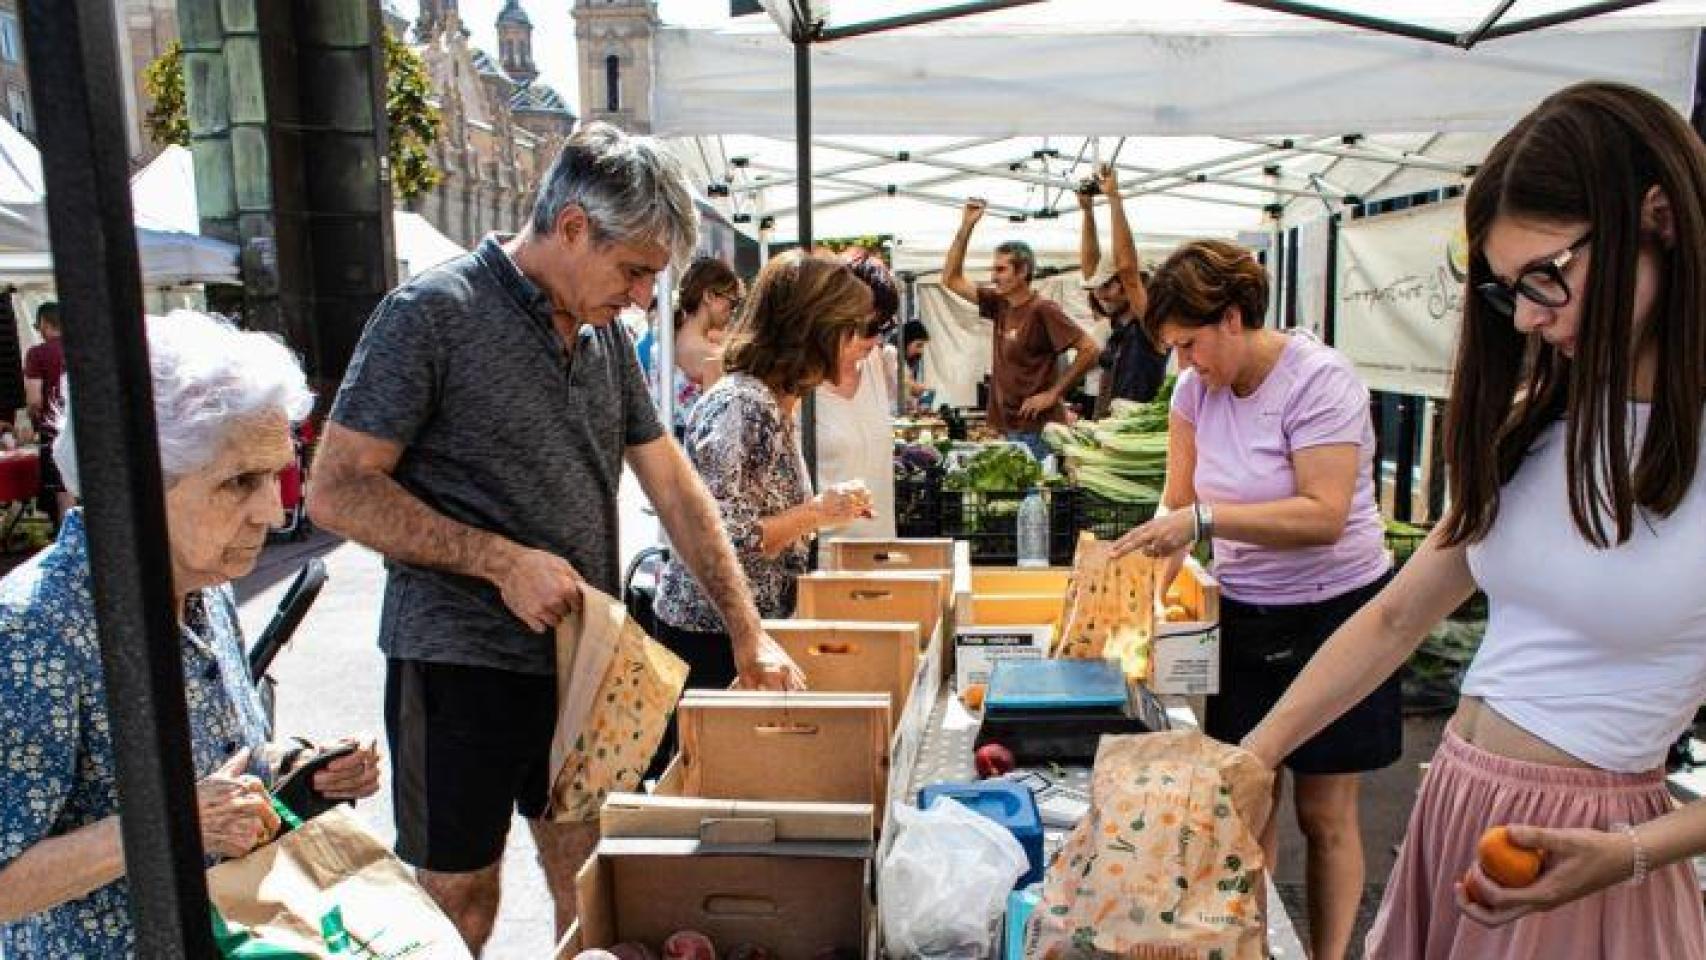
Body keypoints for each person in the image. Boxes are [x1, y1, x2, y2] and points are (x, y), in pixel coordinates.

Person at [1235, 81, 1706, 959]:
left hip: (1586, 858)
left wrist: (1630, 853)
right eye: (1508, 291)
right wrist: (1252, 757)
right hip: (1460, 805)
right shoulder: (1541, 417)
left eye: (1547, 278)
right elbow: (1395, 615)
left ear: (1661, 221)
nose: (1528, 316)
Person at [307, 123, 806, 953]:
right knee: (457, 892)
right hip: (455, 661)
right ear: (573, 227)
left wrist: (748, 633)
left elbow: (676, 488)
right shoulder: (430, 314)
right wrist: (497, 560)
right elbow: (337, 489)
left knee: (587, 872)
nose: (646, 297)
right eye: (637, 270)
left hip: (582, 662)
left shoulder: (606, 336)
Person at [0, 311, 381, 956]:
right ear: (131, 486)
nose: (273, 510)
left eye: (277, 475)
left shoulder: (202, 583)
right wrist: (173, 821)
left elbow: (213, 779)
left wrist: (294, 770)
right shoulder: (33, 627)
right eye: (240, 482)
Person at [1112, 239, 1397, 960]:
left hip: (1341, 615)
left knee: (1325, 811)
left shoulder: (1319, 382)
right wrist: (1139, 602)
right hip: (1245, 611)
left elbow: (1323, 513)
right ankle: (1251, 947)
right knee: (1245, 797)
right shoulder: (1191, 394)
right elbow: (1176, 505)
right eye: (1173, 347)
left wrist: (1206, 520)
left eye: (1191, 343)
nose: (1185, 362)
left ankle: (1331, 953)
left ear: (1233, 317)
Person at [653, 251, 872, 694]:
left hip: (741, 637)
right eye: (850, 330)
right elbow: (723, 540)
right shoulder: (743, 405)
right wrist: (816, 513)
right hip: (713, 643)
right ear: (814, 332)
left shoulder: (773, 401)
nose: (860, 344)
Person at [942, 199, 1101, 459]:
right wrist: (966, 226)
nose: (994, 277)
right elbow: (951, 279)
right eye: (994, 269)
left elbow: (1090, 349)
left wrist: (1053, 394)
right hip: (1008, 425)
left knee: (1034, 497)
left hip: (1037, 429)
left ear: (1023, 271)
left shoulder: (1043, 309)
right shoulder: (999, 304)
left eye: (1001, 269)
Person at [813, 253, 901, 544]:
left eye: (884, 328)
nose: (877, 340)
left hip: (883, 556)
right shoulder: (800, 388)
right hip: (824, 564)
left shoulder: (874, 362)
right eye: (870, 328)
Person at [1076, 165, 1168, 417]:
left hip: (1132, 436)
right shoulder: (1116, 324)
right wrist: (1087, 213)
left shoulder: (1149, 323)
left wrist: (1114, 199)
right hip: (1109, 428)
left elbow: (1127, 270)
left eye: (1108, 286)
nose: (1100, 294)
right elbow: (1090, 271)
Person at [652, 256, 743, 437]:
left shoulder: (663, 344)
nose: (733, 311)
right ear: (709, 296)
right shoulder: (711, 355)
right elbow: (719, 433)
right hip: (693, 458)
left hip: (666, 450)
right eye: (732, 302)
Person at [23, 302, 73, 524]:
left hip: (55, 430)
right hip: (89, 430)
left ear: (44, 323)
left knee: (64, 494)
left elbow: (35, 400)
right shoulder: (83, 347)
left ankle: (70, 549)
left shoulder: (37, 354)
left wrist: (34, 423)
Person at [900, 317, 934, 412]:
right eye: (918, 345)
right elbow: (904, 385)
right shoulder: (891, 353)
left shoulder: (907, 362)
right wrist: (918, 388)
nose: (920, 351)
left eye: (922, 346)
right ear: (907, 341)